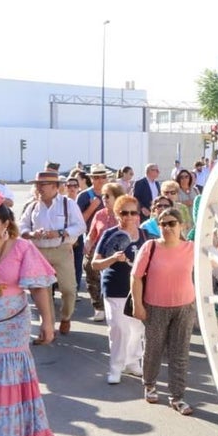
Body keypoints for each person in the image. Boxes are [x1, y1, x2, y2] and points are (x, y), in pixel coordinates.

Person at [0, 188, 58, 436]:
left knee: (7, 377)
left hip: (13, 327)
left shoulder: (24, 248)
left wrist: (48, 322)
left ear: (5, 225)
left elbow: (39, 289)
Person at [131, 207, 196, 415]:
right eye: (163, 224)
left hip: (184, 307)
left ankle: (177, 397)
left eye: (171, 223)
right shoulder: (150, 247)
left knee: (180, 353)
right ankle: (149, 384)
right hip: (156, 307)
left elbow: (211, 263)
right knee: (153, 349)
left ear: (181, 226)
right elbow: (136, 276)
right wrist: (137, 304)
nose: (167, 228)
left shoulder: (191, 248)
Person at [17, 170, 87, 335]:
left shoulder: (68, 203)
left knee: (69, 289)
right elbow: (21, 227)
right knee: (43, 290)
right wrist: (32, 234)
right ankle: (48, 325)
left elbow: (81, 227)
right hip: (38, 251)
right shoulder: (32, 205)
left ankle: (66, 317)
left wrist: (61, 233)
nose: (39, 188)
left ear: (55, 187)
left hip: (61, 250)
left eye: (43, 184)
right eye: (37, 185)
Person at [92, 195, 150, 385]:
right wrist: (113, 259)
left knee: (136, 329)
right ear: (117, 214)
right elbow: (95, 264)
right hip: (114, 287)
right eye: (124, 212)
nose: (129, 216)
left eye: (133, 212)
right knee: (119, 328)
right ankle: (115, 367)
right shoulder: (110, 234)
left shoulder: (145, 236)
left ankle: (133, 362)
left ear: (138, 215)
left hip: (139, 289)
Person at [85, 182, 126, 323]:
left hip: (119, 255)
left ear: (117, 197)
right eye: (103, 195)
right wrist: (88, 246)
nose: (104, 198)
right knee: (90, 269)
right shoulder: (99, 214)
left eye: (108, 196)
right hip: (100, 252)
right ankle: (99, 307)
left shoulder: (125, 215)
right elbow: (91, 235)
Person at [77, 164, 111, 322]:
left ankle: (111, 304)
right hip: (93, 239)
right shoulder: (84, 196)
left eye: (103, 176)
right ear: (91, 179)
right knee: (91, 272)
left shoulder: (113, 193)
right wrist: (92, 207)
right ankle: (98, 306)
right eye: (96, 177)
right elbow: (79, 221)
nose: (100, 180)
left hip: (114, 242)